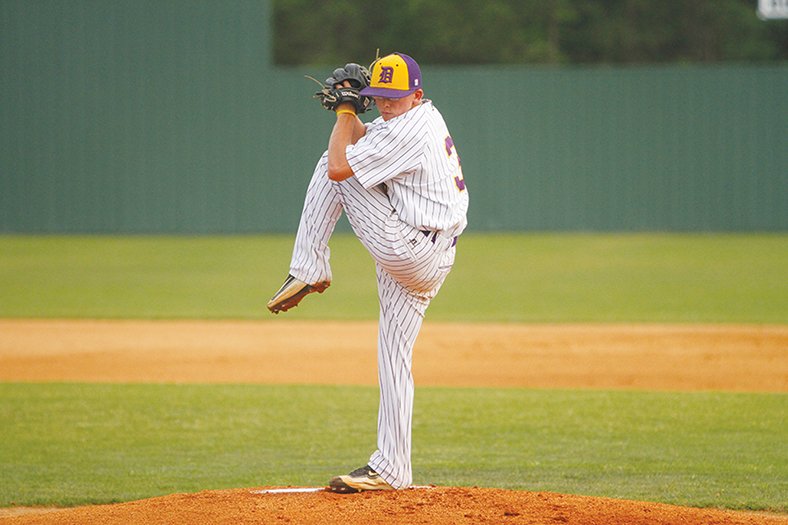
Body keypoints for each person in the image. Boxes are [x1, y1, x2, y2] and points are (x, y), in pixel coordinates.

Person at [266, 52, 469, 493]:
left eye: (395, 97)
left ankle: (309, 267)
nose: (386, 105)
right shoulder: (416, 119)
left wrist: (344, 109)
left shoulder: (410, 128)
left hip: (410, 246)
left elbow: (341, 165)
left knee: (329, 165)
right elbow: (360, 141)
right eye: (379, 97)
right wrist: (351, 111)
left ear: (417, 94)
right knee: (393, 357)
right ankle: (392, 468)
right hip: (427, 253)